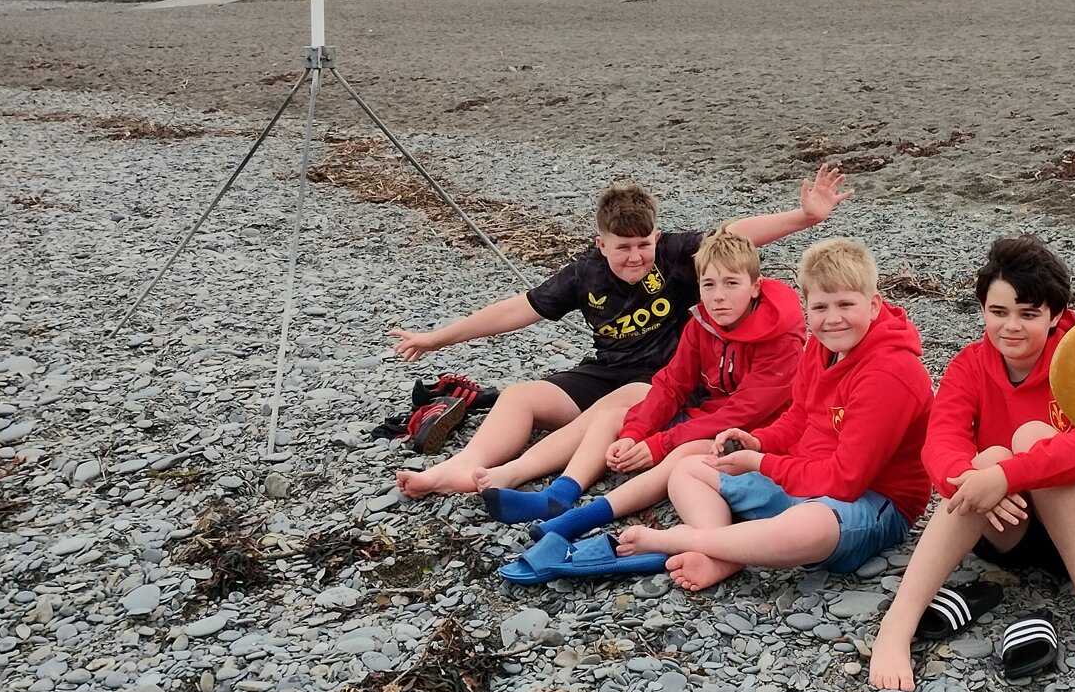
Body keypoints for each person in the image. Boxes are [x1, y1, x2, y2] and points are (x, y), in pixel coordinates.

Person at [388, 169, 851, 497]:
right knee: (520, 395)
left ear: (656, 236)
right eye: (623, 248)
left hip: (665, 381)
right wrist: (437, 338)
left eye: (643, 245)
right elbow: (518, 310)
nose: (635, 257)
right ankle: (462, 467)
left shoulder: (676, 254)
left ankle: (527, 476)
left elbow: (733, 238)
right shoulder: (584, 275)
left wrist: (805, 217)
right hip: (606, 370)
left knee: (622, 403)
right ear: (601, 244)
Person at [867, 236, 1075, 691]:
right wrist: (976, 478)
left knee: (1031, 441)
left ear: (1053, 316)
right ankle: (897, 625)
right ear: (983, 310)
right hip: (1005, 526)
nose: (1012, 326)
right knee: (982, 458)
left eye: (1028, 314)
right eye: (999, 312)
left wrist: (1004, 476)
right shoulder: (969, 365)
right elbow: (940, 444)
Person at [616, 238, 933, 592]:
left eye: (845, 304)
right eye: (821, 308)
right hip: (807, 474)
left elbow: (847, 481)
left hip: (873, 501)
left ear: (873, 305)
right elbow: (798, 418)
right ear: (807, 308)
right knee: (689, 468)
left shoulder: (889, 373)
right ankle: (726, 553)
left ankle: (681, 540)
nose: (833, 319)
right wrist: (759, 441)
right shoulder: (822, 346)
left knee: (808, 526)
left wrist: (761, 463)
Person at [486, 228, 805, 537]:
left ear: (755, 287)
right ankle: (560, 494)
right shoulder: (703, 322)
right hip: (711, 417)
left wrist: (659, 444)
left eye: (731, 284)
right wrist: (635, 433)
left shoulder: (781, 339)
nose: (718, 297)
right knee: (614, 417)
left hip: (757, 432)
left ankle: (585, 517)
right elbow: (672, 383)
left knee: (688, 450)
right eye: (708, 285)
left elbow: (743, 412)